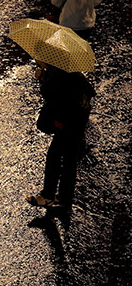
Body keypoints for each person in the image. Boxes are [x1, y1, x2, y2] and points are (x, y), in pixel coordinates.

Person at [27, 62, 95, 210]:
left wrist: (43, 79)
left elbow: (51, 94)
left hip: (67, 121)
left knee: (54, 157)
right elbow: (89, 91)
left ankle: (48, 196)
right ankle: (64, 196)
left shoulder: (59, 72)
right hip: (77, 119)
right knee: (69, 159)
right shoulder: (70, 69)